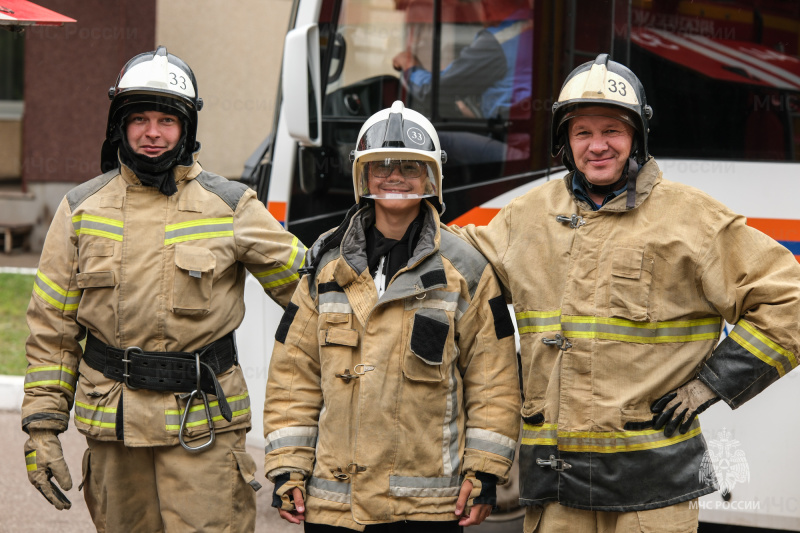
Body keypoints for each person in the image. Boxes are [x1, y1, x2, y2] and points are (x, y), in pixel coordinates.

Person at [447, 53, 800, 532]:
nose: (597, 146)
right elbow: (453, 261)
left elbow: (789, 299)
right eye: (582, 132)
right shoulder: (526, 216)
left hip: (652, 495)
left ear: (636, 136)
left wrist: (710, 385)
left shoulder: (691, 219)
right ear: (565, 142)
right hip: (556, 496)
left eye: (612, 130)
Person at [21, 46, 306, 532]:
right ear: (119, 126)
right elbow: (53, 332)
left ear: (186, 129)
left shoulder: (231, 206)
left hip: (205, 435)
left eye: (166, 121)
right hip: (114, 436)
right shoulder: (81, 209)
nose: (152, 133)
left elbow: (314, 303)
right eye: (140, 120)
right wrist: (43, 430)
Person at [263, 100, 521, 531]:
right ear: (362, 176)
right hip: (333, 505)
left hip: (428, 505)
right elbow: (294, 374)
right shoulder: (326, 265)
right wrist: (288, 466)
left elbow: (493, 378)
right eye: (381, 165)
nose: (395, 177)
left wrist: (485, 471)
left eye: (409, 166)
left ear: (431, 177)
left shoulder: (466, 270)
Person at [392, 0, 532, 166]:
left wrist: (409, 65)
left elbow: (434, 91)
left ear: (489, 5)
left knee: (423, 137)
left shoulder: (499, 39)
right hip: (521, 137)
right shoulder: (531, 29)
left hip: (516, 146)